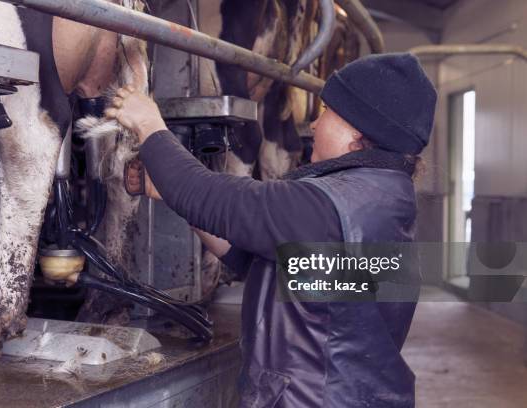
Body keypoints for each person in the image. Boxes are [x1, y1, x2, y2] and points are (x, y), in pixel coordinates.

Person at [106, 52, 437, 407]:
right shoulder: (379, 202)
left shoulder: (327, 205)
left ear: (357, 133)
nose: (313, 124)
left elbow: (210, 196)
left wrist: (150, 126)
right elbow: (262, 263)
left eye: (326, 112)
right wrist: (173, 196)